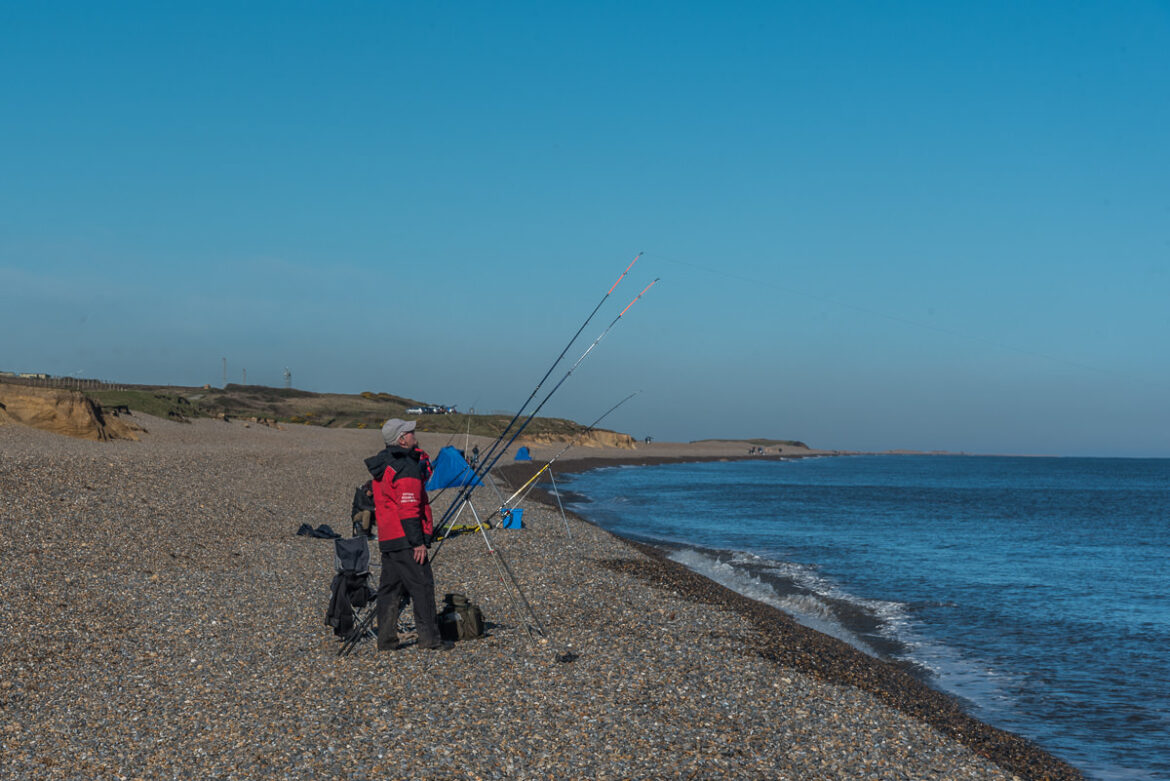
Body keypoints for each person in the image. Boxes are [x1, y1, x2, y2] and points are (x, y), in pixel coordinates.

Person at [365, 418, 451, 652]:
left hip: (388, 537)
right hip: (405, 538)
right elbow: (409, 508)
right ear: (401, 439)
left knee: (389, 590)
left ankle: (386, 640)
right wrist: (418, 543)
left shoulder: (384, 463)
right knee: (422, 586)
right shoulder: (406, 466)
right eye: (410, 432)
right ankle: (430, 640)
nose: (415, 434)